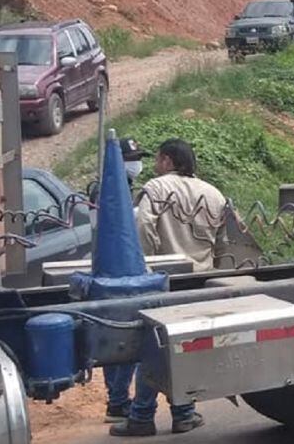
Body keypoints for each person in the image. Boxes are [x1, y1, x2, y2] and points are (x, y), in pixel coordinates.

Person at [110, 138, 226, 437]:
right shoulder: (214, 193)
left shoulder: (157, 188)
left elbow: (143, 226)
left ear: (168, 161)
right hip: (201, 281)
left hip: (164, 279)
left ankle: (142, 416)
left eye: (158, 159)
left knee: (153, 346)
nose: (154, 165)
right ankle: (183, 413)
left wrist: (149, 263)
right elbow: (224, 242)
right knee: (182, 347)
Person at [102, 138, 151, 424]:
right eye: (131, 158)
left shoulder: (127, 188)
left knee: (127, 340)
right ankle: (117, 400)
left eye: (137, 157)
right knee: (123, 341)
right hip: (116, 276)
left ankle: (117, 399)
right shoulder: (106, 191)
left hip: (130, 273)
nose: (136, 163)